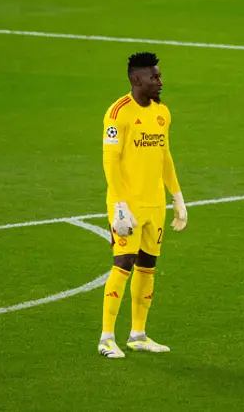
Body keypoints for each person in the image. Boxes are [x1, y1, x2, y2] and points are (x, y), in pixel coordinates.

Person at [98, 52, 188, 359]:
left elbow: (164, 156)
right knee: (122, 264)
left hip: (154, 205)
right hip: (127, 206)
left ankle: (138, 335)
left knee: (147, 268)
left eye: (159, 76)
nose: (160, 82)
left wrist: (176, 196)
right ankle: (106, 338)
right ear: (137, 80)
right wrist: (120, 206)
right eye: (154, 77)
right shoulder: (117, 113)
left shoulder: (162, 112)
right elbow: (109, 161)